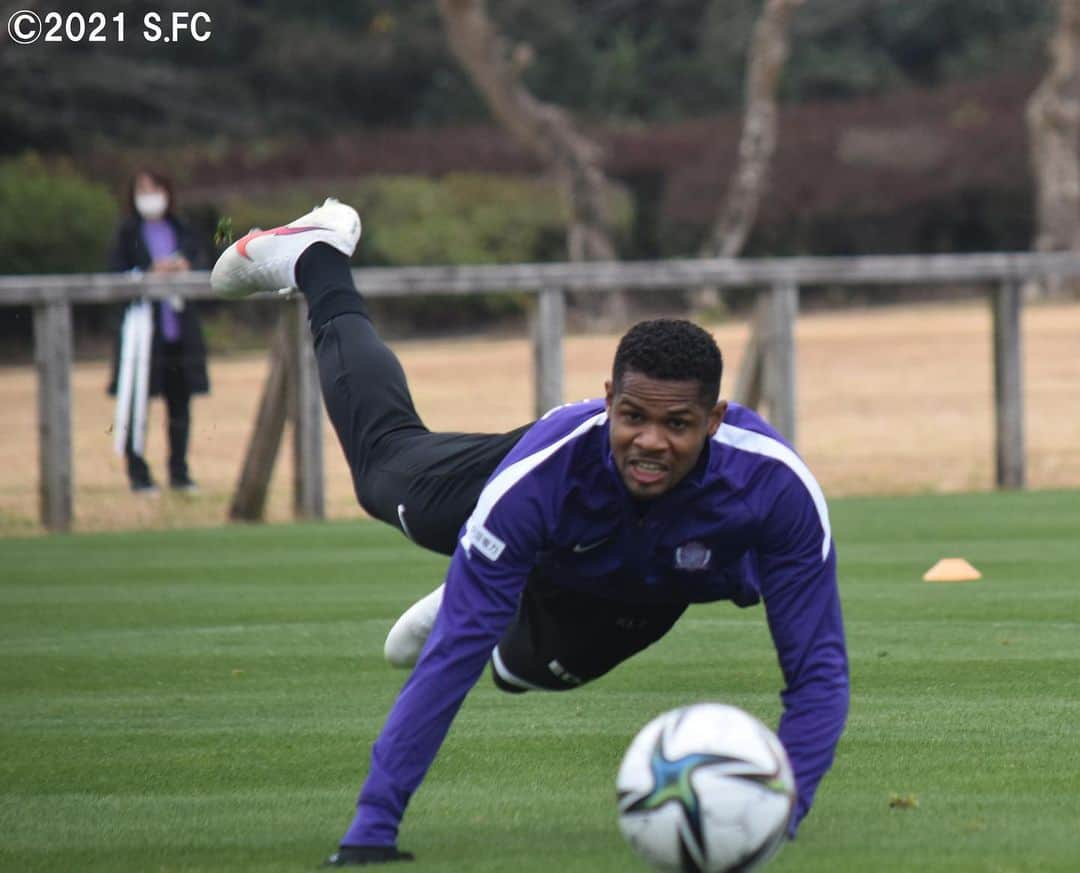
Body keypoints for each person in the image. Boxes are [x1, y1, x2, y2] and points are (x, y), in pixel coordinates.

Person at [211, 199, 849, 867]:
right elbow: (452, 654)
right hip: (543, 492)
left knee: (525, 672)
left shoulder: (776, 491)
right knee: (383, 476)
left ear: (714, 420)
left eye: (678, 425)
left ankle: (505, 580)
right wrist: (372, 827)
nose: (650, 442)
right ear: (607, 400)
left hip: (646, 584)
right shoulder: (539, 478)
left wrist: (778, 816)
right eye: (632, 416)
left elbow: (818, 670)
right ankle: (318, 258)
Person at [108, 168, 209, 494]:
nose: (149, 194)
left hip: (178, 328)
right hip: (142, 331)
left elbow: (203, 262)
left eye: (154, 187)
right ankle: (138, 473)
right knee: (137, 402)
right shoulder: (128, 231)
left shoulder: (182, 229)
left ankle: (179, 472)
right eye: (142, 188)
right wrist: (148, 272)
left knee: (180, 403)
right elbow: (115, 272)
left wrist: (183, 267)